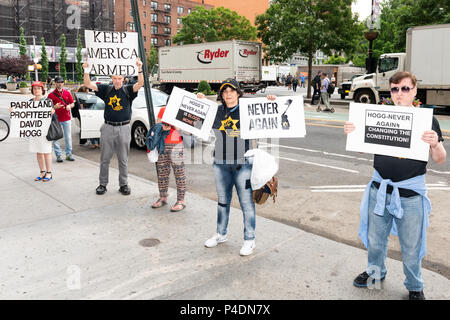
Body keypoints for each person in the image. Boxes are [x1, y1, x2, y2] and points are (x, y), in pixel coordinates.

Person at [344, 71, 446, 300]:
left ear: (414, 91)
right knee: (375, 241)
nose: (399, 94)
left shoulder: (427, 120)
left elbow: (440, 159)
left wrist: (434, 145)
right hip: (379, 190)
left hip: (410, 196)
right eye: (394, 89)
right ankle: (375, 273)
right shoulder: (379, 115)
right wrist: (352, 134)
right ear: (390, 92)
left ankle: (414, 285)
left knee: (411, 247)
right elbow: (361, 147)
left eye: (405, 89)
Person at [197, 79, 276, 256]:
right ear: (221, 95)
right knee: (222, 202)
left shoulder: (248, 110)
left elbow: (267, 117)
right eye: (225, 92)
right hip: (220, 163)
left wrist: (271, 102)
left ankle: (249, 239)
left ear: (238, 93)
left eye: (232, 91)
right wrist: (199, 101)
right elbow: (195, 124)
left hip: (243, 164)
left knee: (246, 203)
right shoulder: (217, 111)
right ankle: (221, 234)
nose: (228, 94)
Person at [83, 58, 144, 196]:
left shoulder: (128, 90)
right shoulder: (106, 89)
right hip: (108, 127)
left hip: (124, 128)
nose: (117, 81)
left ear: (123, 79)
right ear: (112, 78)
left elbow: (140, 83)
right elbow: (87, 83)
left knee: (123, 159)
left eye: (120, 78)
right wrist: (86, 69)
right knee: (105, 159)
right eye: (115, 78)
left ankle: (123, 184)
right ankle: (102, 184)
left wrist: (139, 68)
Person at [9, 81, 55, 182]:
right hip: (34, 131)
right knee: (38, 152)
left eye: (39, 88)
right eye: (35, 89)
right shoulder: (30, 102)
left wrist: (52, 112)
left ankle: (49, 172)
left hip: (45, 131)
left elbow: (53, 117)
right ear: (32, 91)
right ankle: (42, 172)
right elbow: (23, 115)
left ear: (42, 90)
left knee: (46, 152)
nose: (37, 90)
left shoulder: (48, 101)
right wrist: (14, 111)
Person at [150, 107, 186, 212]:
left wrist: (172, 125)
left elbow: (181, 128)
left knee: (179, 174)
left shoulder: (180, 111)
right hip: (162, 145)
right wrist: (162, 126)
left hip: (176, 145)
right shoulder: (163, 109)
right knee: (162, 173)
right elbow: (157, 124)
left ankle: (181, 201)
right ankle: (163, 197)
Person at [48, 76, 75, 162]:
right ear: (55, 83)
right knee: (56, 138)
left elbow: (72, 103)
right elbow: (48, 107)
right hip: (56, 119)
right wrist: (54, 107)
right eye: (58, 82)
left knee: (68, 137)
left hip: (66, 118)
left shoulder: (67, 92)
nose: (60, 83)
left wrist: (69, 106)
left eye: (61, 82)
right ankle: (58, 155)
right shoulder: (51, 95)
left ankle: (68, 154)